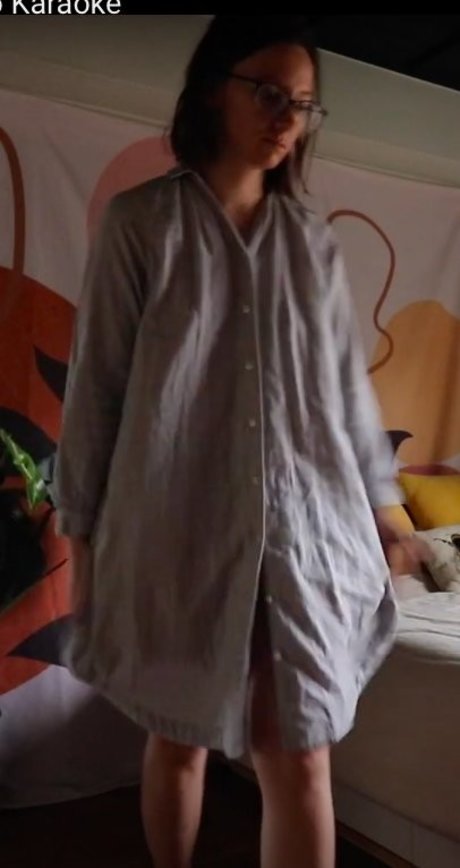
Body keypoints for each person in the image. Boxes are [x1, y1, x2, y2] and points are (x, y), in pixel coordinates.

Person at [54, 15, 424, 868]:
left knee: (301, 755)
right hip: (180, 533)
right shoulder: (143, 224)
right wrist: (85, 542)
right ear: (214, 88)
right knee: (179, 736)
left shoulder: (312, 245)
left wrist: (388, 512)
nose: (288, 118)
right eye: (268, 93)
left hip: (303, 539)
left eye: (304, 104)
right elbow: (98, 389)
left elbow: (346, 393)